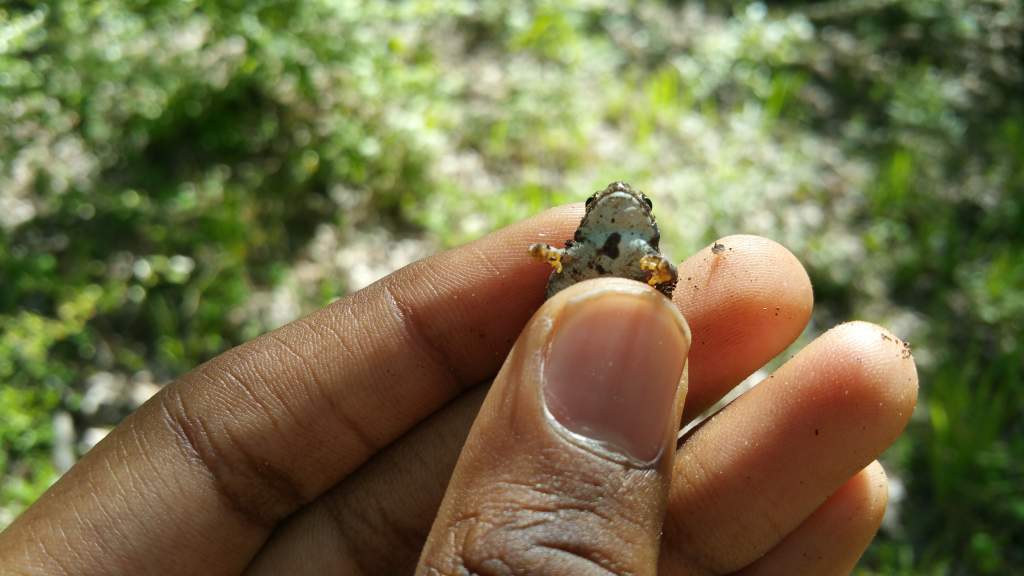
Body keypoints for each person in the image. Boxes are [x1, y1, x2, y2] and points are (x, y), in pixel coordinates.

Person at [0, 205, 917, 575]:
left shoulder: (641, 255)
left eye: (632, 219)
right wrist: (562, 267)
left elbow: (663, 277)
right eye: (613, 214)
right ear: (604, 221)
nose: (623, 223)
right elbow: (554, 259)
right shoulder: (590, 245)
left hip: (600, 320)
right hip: (564, 326)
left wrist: (646, 293)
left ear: (638, 229)